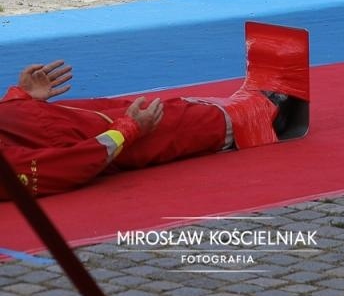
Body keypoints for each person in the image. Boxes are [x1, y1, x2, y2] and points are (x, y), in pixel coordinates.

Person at [0, 58, 296, 200]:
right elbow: (65, 166)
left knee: (154, 109)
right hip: (72, 137)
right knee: (169, 126)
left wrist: (19, 99)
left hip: (43, 120)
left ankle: (236, 112)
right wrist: (127, 131)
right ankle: (261, 118)